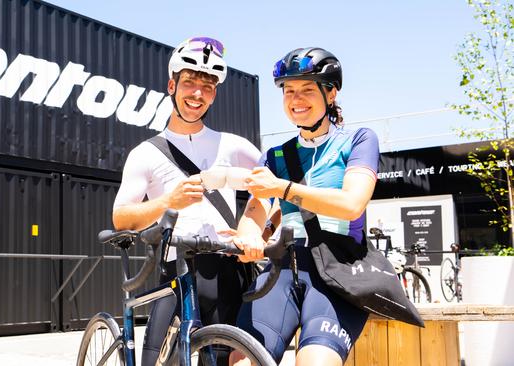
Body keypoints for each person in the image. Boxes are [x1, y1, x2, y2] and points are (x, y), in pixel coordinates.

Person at [112, 36, 262, 365]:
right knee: (156, 361)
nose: (197, 93)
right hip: (175, 272)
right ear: (171, 85)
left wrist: (255, 230)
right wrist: (169, 201)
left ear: (215, 93)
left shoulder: (235, 146)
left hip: (226, 269)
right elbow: (122, 218)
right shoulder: (146, 154)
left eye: (207, 86)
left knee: (226, 361)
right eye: (190, 82)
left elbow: (278, 190)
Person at [230, 47, 380, 366]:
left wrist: (283, 188)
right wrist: (248, 239)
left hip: (338, 271)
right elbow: (254, 215)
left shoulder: (358, 141)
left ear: (331, 93)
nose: (296, 98)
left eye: (308, 89)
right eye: (289, 90)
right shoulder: (274, 157)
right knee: (242, 362)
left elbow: (352, 204)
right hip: (282, 270)